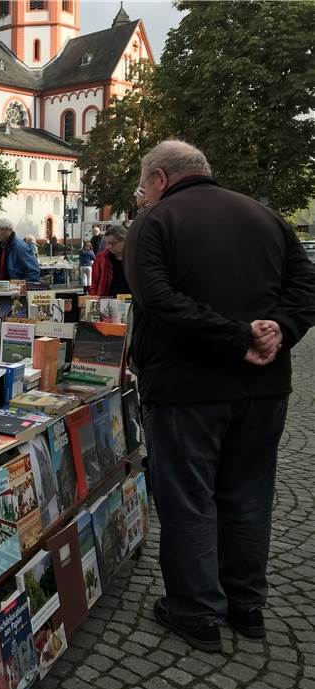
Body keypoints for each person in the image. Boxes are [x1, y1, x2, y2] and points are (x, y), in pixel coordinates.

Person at [124, 139, 315, 653]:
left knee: (187, 498)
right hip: (264, 386)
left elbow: (157, 300)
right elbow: (307, 287)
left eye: (144, 186)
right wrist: (278, 329)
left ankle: (195, 612)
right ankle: (247, 606)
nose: (143, 195)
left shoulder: (156, 220)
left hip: (186, 388)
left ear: (160, 178)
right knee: (249, 496)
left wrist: (237, 336)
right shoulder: (267, 216)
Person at [90, 225, 130, 297]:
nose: (109, 247)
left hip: (133, 301)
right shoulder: (102, 258)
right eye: (107, 243)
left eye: (113, 243)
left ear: (124, 241)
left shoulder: (135, 257)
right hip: (108, 300)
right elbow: (94, 282)